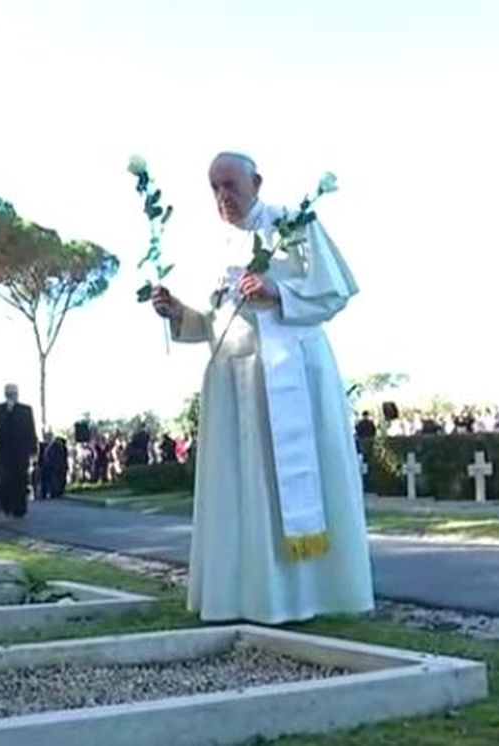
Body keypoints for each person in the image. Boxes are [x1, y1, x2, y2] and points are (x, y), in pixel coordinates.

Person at [148, 151, 373, 625]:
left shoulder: (293, 226)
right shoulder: (209, 244)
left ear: (257, 182)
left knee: (288, 481)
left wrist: (278, 293)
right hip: (233, 379)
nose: (222, 197)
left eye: (229, 185)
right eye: (213, 188)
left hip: (293, 374)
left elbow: (334, 294)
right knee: (239, 482)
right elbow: (208, 321)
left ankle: (313, 592)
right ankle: (241, 595)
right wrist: (177, 313)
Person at [0, 384, 37, 517]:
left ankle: (20, 508)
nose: (12, 395)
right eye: (9, 393)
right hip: (5, 450)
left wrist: (33, 448)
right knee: (6, 478)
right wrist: (9, 410)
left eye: (14, 393)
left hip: (21, 449)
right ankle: (6, 505)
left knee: (21, 478)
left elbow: (31, 428)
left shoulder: (26, 409)